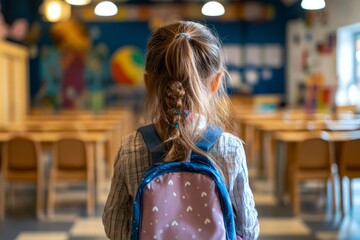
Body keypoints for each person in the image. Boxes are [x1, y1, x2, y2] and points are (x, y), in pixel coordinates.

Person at [102, 20, 259, 240]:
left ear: (148, 83)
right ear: (216, 82)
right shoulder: (230, 149)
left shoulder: (130, 148)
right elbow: (249, 229)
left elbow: (113, 226)